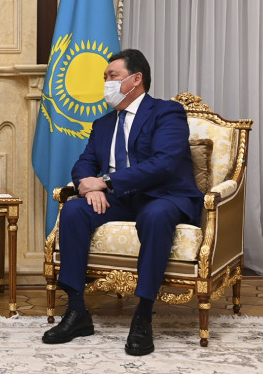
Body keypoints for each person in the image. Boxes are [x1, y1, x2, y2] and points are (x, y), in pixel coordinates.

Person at [41, 49, 203, 356]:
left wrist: (106, 182)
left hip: (163, 196)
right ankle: (76, 311)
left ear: (136, 79)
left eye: (113, 76)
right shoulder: (103, 124)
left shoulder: (167, 112)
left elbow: (164, 164)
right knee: (74, 209)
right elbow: (84, 164)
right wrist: (89, 189)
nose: (107, 83)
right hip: (121, 199)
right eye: (105, 78)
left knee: (155, 215)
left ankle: (143, 315)